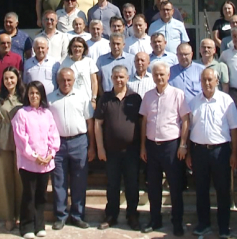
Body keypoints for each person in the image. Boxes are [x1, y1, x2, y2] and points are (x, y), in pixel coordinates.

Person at [186, 68, 237, 239]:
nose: (207, 83)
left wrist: (235, 153)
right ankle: (203, 224)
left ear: (217, 81)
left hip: (221, 151)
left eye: (210, 80)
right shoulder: (194, 102)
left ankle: (224, 227)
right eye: (204, 80)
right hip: (199, 151)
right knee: (201, 189)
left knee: (223, 190)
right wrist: (188, 153)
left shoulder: (226, 101)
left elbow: (234, 129)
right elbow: (189, 129)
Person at [139, 61, 190, 236]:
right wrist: (143, 147)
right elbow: (144, 121)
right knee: (153, 186)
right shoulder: (148, 96)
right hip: (152, 146)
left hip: (172, 146)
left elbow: (185, 120)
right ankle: (155, 220)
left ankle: (177, 222)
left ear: (168, 76)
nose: (159, 77)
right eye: (156, 75)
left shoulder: (178, 94)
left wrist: (183, 144)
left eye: (162, 74)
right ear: (152, 77)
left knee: (175, 186)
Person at [94, 66, 143, 231]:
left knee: (132, 184)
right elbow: (98, 124)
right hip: (111, 151)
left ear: (127, 78)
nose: (119, 80)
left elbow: (142, 123)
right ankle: (111, 216)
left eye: (122, 77)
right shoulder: (105, 98)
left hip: (132, 151)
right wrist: (100, 148)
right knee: (112, 185)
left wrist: (143, 147)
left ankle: (132, 215)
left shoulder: (135, 98)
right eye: (115, 77)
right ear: (111, 79)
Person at [48, 68, 95, 230]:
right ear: (58, 81)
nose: (66, 83)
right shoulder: (50, 99)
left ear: (74, 81)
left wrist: (92, 146)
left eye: (69, 80)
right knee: (58, 181)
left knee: (79, 181)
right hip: (58, 144)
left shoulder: (82, 97)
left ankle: (77, 216)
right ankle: (60, 216)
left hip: (79, 142)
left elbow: (90, 123)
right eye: (63, 80)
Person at [12, 81, 60, 239]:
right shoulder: (21, 114)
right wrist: (34, 156)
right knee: (29, 195)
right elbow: (21, 139)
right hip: (28, 164)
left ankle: (39, 225)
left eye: (37, 93)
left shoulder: (47, 113)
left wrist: (51, 154)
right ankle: (26, 227)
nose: (34, 96)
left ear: (41, 95)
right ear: (27, 95)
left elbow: (53, 135)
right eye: (31, 93)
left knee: (41, 195)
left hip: (46, 163)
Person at [0, 67, 25, 231]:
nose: (9, 81)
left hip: (21, 142)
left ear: (17, 78)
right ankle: (8, 216)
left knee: (20, 179)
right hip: (3, 140)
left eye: (12, 78)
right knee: (4, 180)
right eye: (6, 78)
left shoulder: (24, 96)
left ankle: (21, 214)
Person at [60, 37, 98, 103]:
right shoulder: (65, 63)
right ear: (71, 48)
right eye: (75, 46)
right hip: (70, 100)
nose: (77, 49)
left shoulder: (89, 62)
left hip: (86, 100)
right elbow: (60, 80)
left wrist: (94, 98)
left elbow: (94, 82)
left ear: (84, 48)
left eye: (80, 46)